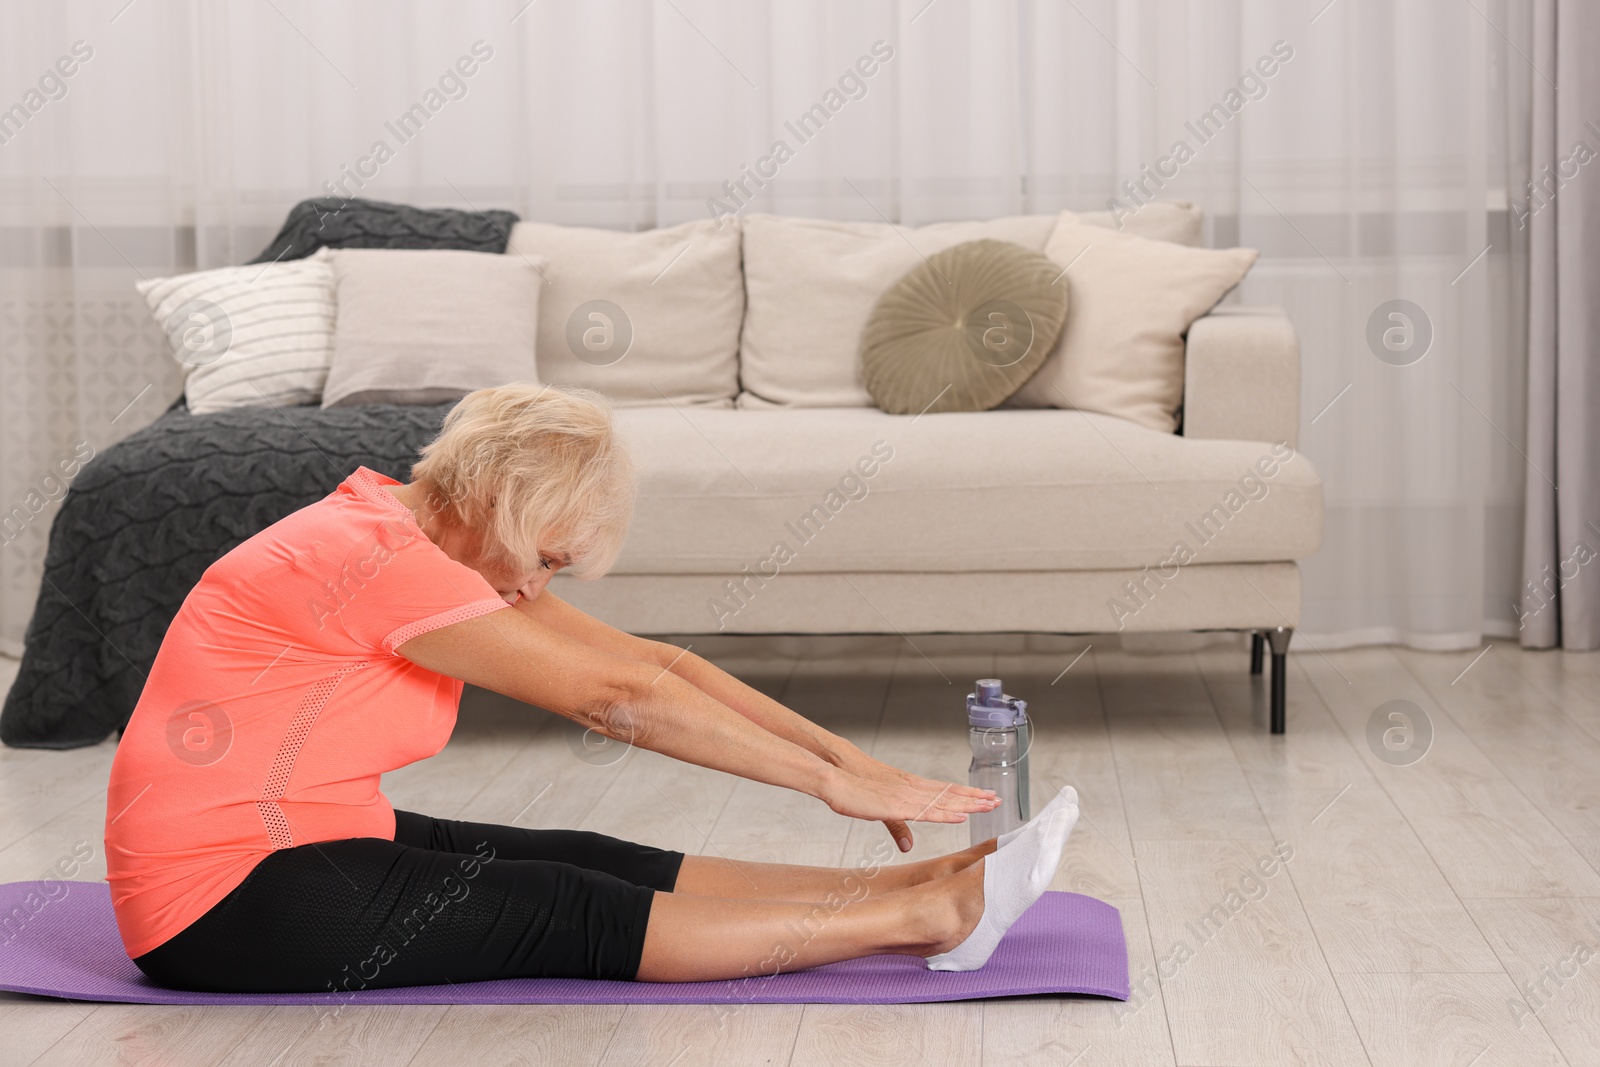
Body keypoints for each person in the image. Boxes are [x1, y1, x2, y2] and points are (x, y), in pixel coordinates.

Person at [105, 383, 1079, 993]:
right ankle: (928, 919)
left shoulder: (413, 532)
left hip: (309, 832)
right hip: (223, 899)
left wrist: (847, 758)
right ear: (495, 502)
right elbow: (612, 701)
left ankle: (916, 882)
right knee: (564, 904)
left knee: (590, 851)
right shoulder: (371, 558)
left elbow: (659, 666)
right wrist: (821, 784)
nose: (538, 586)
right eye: (545, 554)